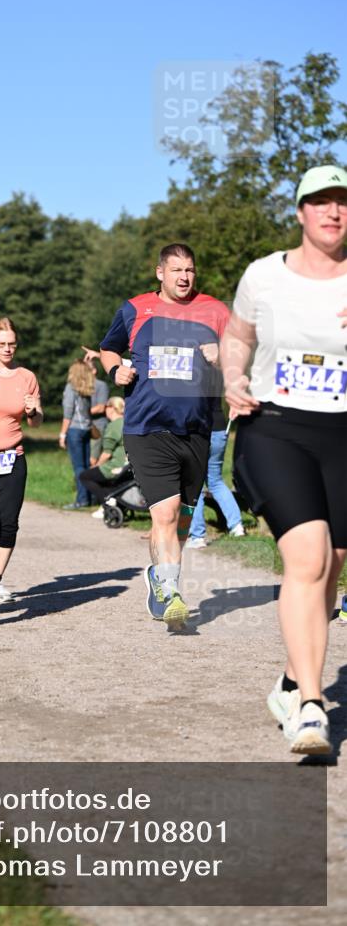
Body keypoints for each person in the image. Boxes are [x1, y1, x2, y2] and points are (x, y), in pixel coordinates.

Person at [221, 164, 347, 755]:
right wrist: (232, 375)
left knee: (334, 563)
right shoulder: (263, 276)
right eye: (320, 202)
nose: (333, 212)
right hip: (274, 425)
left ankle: (293, 678)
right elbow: (238, 335)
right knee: (309, 555)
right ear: (300, 213)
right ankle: (311, 708)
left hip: (343, 432)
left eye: (342, 202)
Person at [100, 243, 230, 628]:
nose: (184, 277)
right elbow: (109, 349)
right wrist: (115, 372)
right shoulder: (135, 308)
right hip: (147, 426)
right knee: (166, 512)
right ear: (160, 273)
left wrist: (223, 355)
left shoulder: (216, 311)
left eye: (190, 270)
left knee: (185, 520)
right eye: (176, 270)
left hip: (197, 428)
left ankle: (160, 576)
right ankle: (171, 592)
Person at [0, 317, 43, 601]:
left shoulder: (26, 377)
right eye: (2, 344)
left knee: (9, 523)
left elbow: (36, 423)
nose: (7, 349)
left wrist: (32, 411)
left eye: (12, 344)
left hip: (13, 456)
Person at [184, 388, 245, 549]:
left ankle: (197, 536)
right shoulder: (217, 370)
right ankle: (237, 526)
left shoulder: (194, 370)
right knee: (216, 481)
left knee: (193, 485)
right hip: (219, 429)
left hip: (198, 432)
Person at [78, 397, 127, 517]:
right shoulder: (128, 422)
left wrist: (96, 465)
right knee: (101, 477)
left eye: (106, 407)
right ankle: (112, 502)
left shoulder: (114, 426)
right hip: (129, 464)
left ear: (112, 408)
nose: (105, 410)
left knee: (85, 476)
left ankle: (108, 500)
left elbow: (107, 453)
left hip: (117, 464)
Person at [60, 359, 95, 509]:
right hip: (86, 429)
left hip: (74, 430)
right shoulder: (86, 389)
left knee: (79, 467)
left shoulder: (70, 388)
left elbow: (68, 413)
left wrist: (62, 434)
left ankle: (81, 500)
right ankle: (90, 496)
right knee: (86, 465)